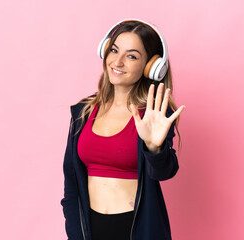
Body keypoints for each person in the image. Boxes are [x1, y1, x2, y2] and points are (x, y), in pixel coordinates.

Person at [61, 19, 185, 240]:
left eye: (132, 56)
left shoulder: (154, 115)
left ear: (151, 67)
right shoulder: (83, 112)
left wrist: (154, 148)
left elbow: (164, 172)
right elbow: (71, 182)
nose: (117, 62)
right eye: (114, 50)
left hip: (135, 231)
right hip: (90, 229)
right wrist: (75, 234)